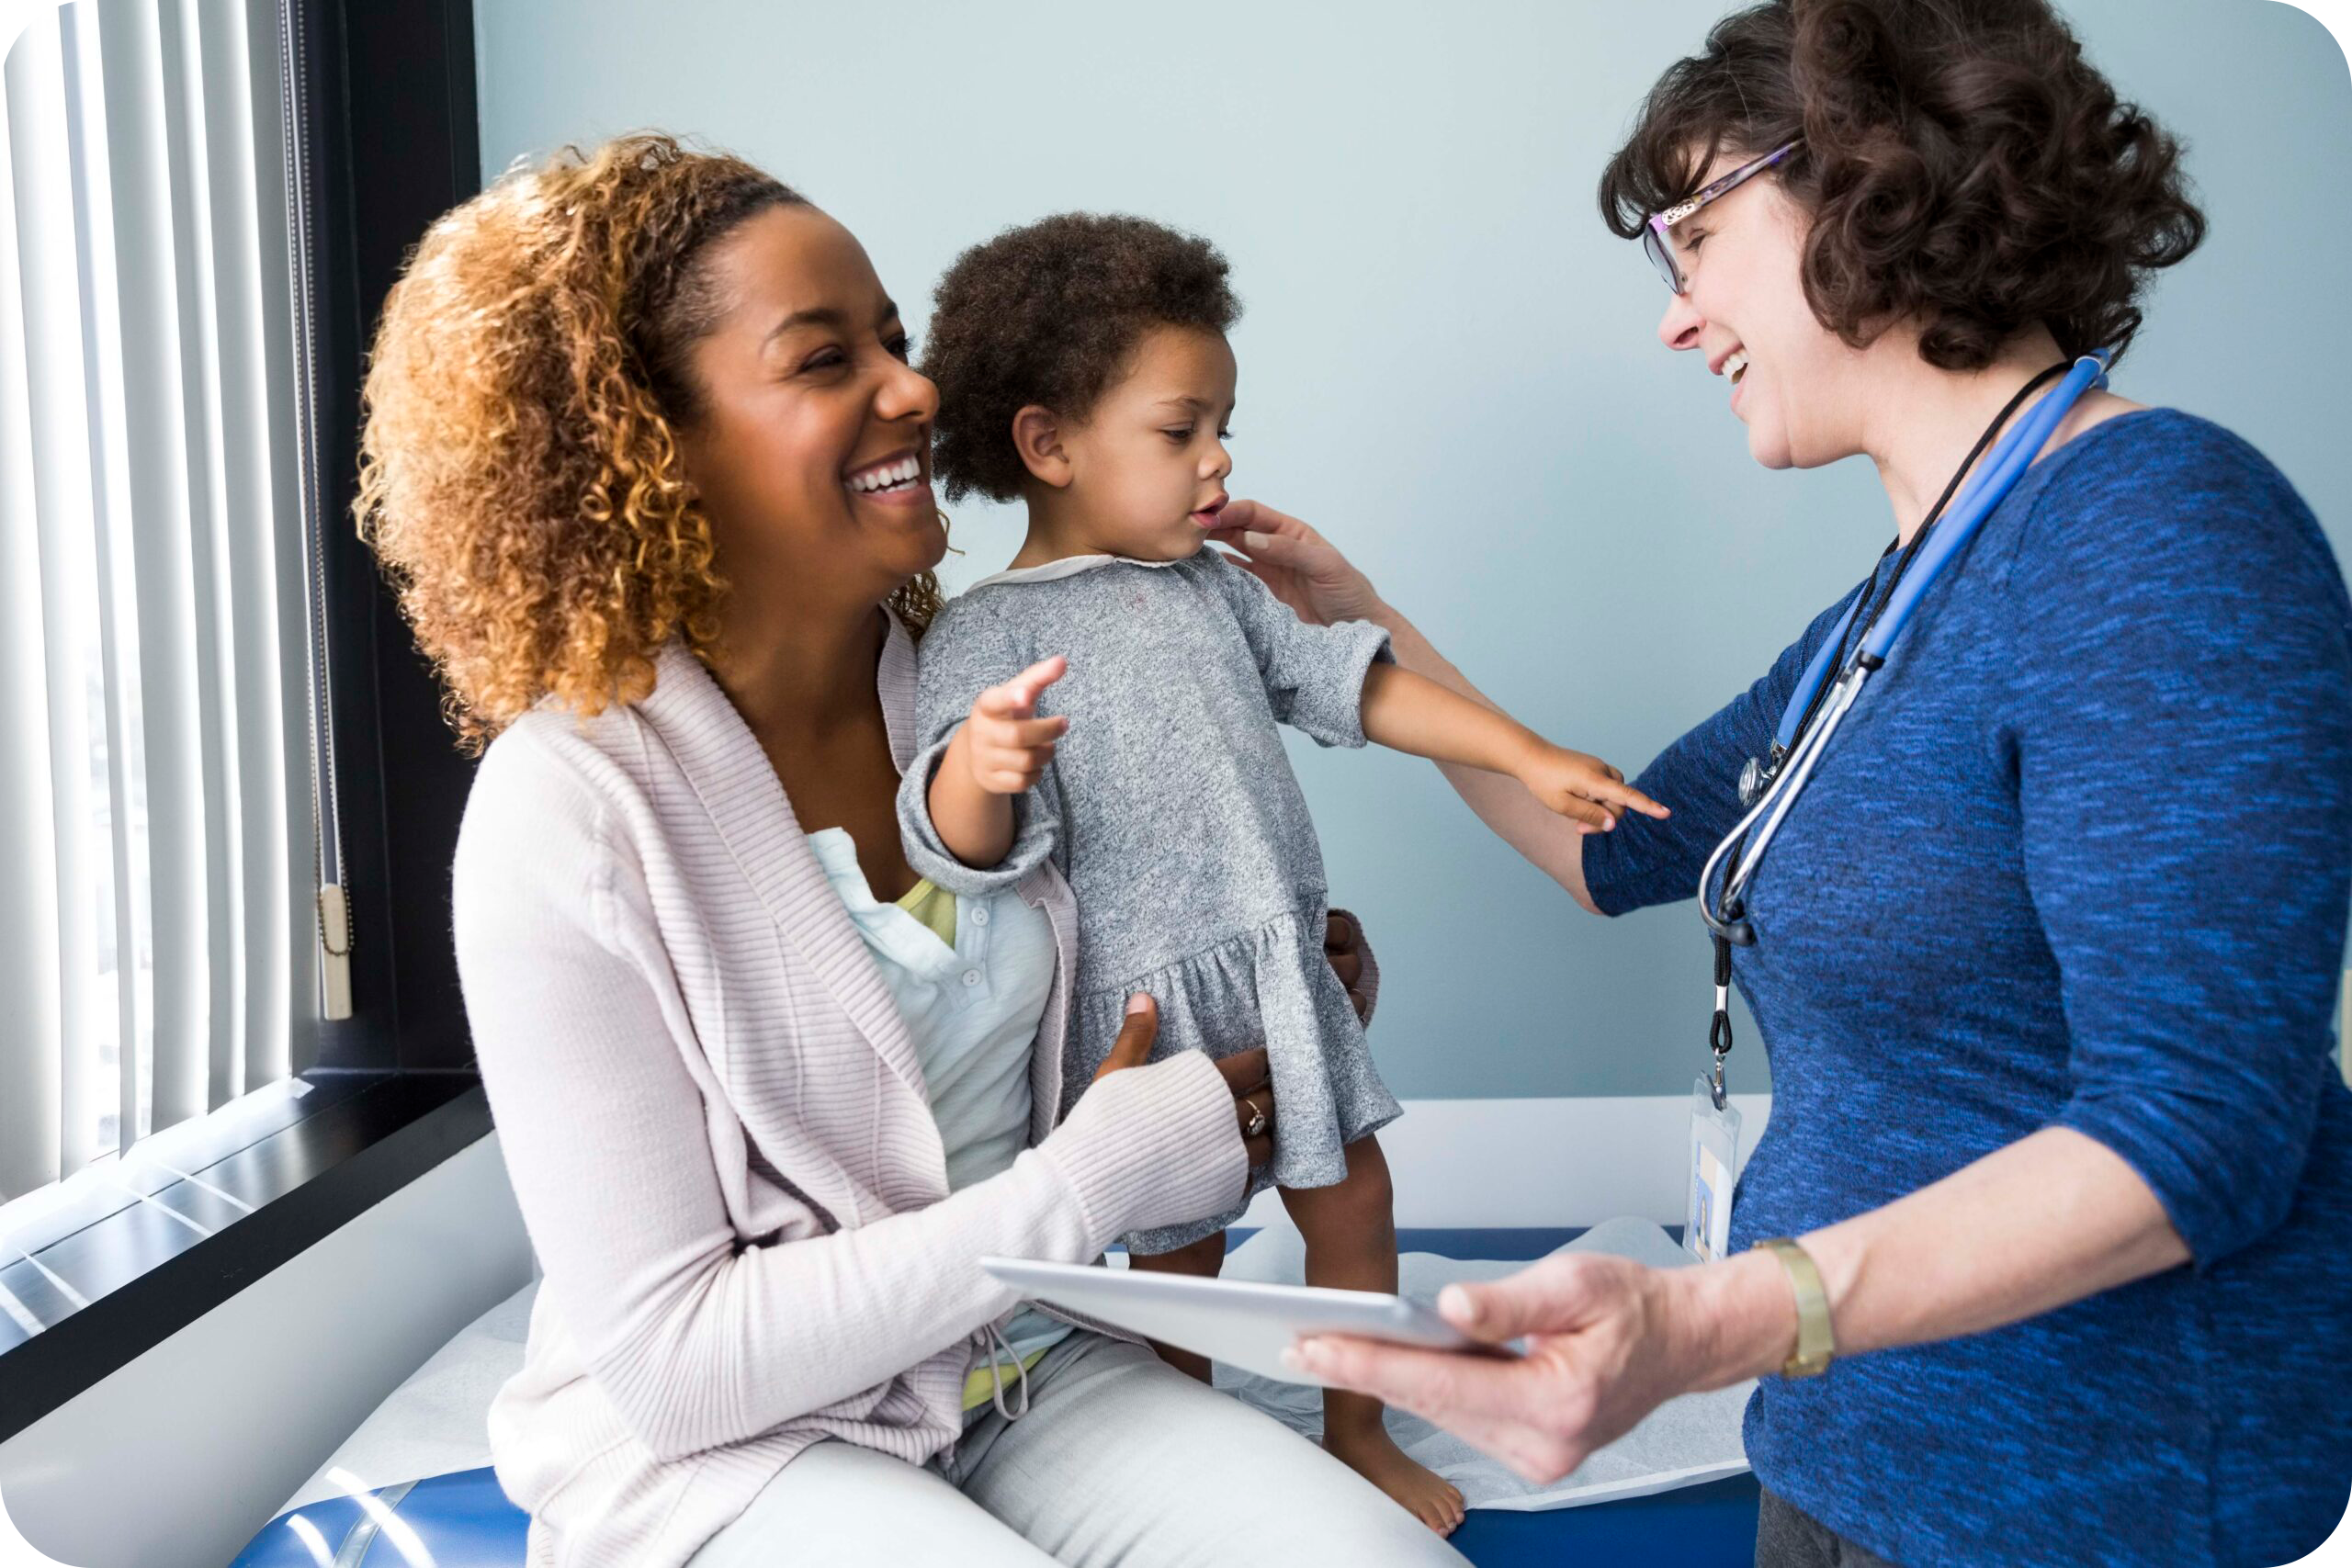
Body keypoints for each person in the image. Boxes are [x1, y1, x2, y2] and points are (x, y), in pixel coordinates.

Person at [1213, 3, 2352, 1563]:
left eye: (1694, 237)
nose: (1678, 316)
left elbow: (2202, 1129)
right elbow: (1598, 845)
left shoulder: (2158, 530)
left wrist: (1724, 1315)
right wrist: (1358, 620)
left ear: (1869, 176)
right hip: (1834, 1461)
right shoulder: (1873, 627)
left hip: (2099, 1499)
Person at [355, 132, 1472, 1568]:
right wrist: (1088, 1184)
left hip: (1016, 1366)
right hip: (732, 1447)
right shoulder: (567, 807)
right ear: (646, 441)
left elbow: (1119, 977)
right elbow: (682, 1360)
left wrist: (1273, 995)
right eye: (826, 359)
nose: (917, 387)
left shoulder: (968, 686)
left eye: (893, 336)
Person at [898, 212, 1664, 1534]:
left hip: (1272, 964)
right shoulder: (984, 634)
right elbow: (946, 844)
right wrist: (982, 765)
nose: (1221, 456)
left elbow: (1359, 682)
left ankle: (1357, 1429)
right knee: (1173, 1267)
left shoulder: (1218, 590)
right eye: (1181, 428)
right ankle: (1176, 1456)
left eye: (1223, 424)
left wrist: (1525, 751)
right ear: (1049, 444)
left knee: (1355, 1201)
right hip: (1145, 1019)